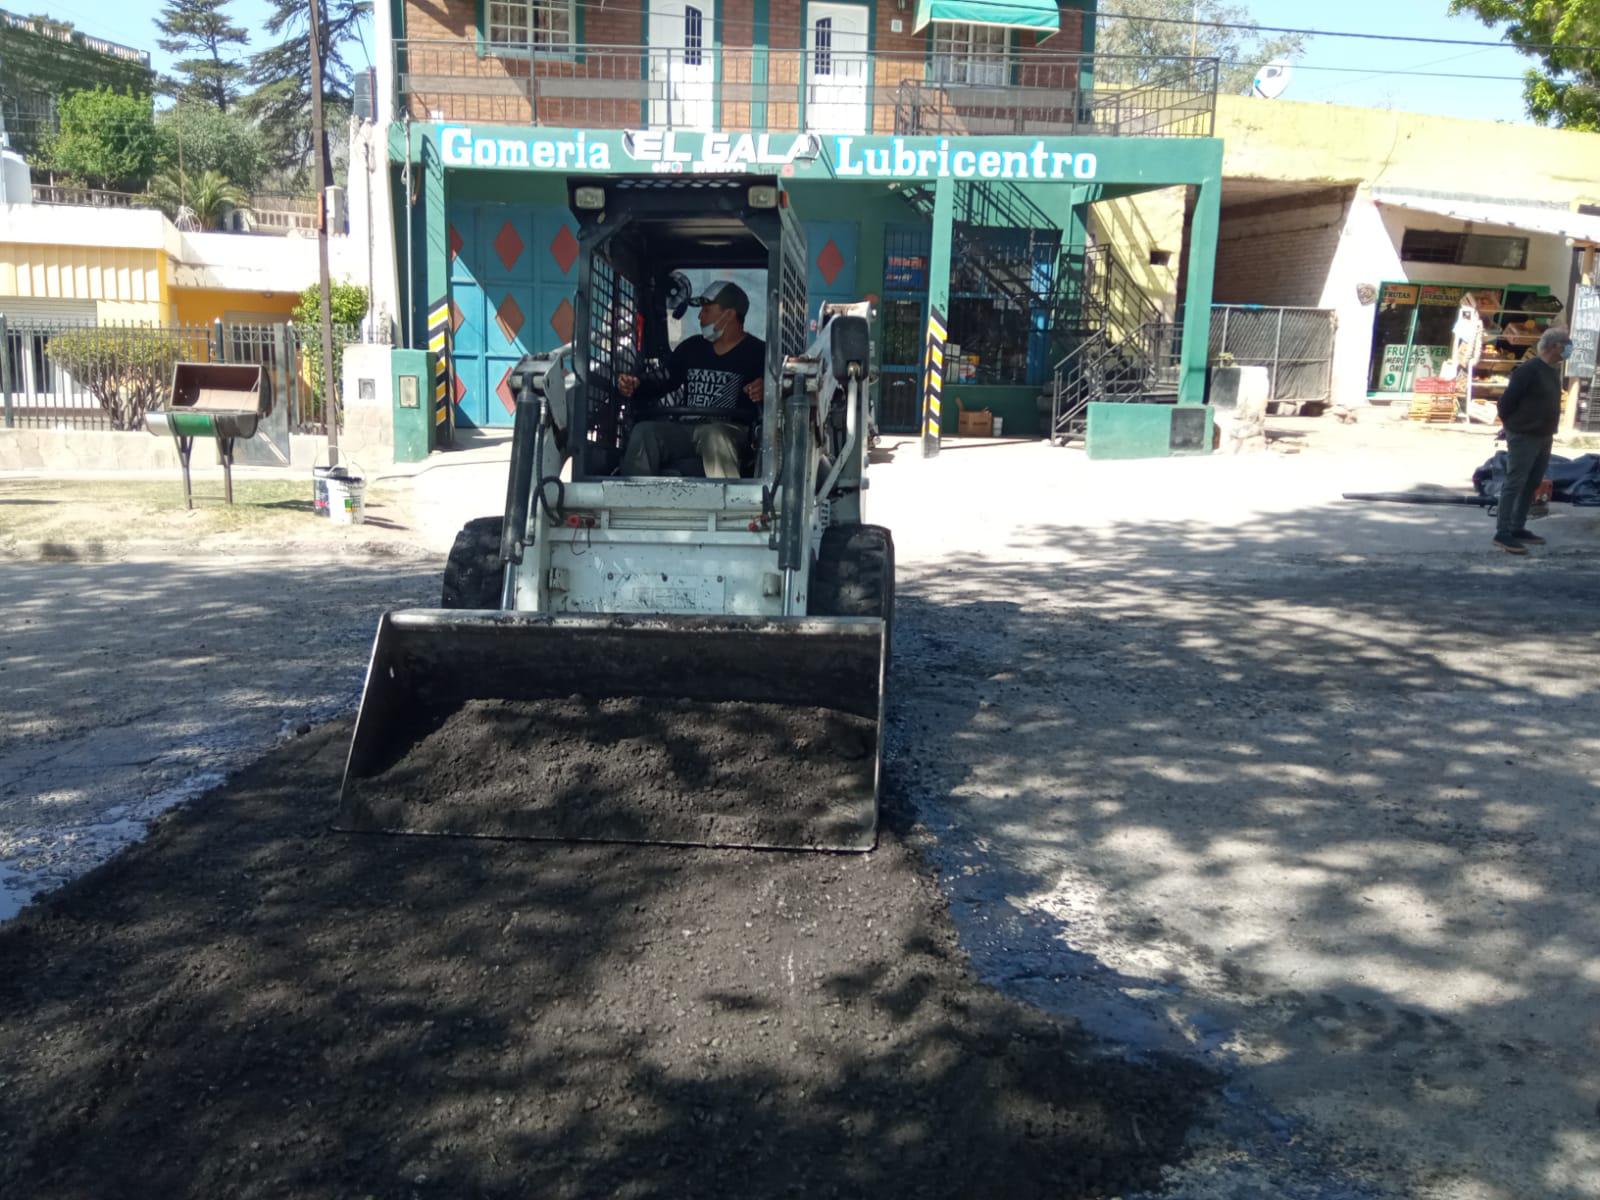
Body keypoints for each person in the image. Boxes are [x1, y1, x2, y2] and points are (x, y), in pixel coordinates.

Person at [617, 281, 765, 478]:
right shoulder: (691, 348)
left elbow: (779, 391)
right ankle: (631, 503)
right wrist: (636, 384)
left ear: (728, 314)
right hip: (686, 430)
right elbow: (664, 380)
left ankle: (729, 506)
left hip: (731, 432)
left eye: (706, 310)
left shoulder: (759, 353)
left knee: (715, 436)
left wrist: (767, 389)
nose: (700, 317)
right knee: (644, 432)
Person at [1492, 326, 1570, 555]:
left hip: (1544, 435)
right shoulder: (1528, 370)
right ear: (1554, 346)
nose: (1568, 349)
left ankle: (1517, 527)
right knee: (1515, 482)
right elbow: (1506, 403)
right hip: (1524, 435)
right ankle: (1502, 531)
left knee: (1532, 481)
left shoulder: (1552, 371)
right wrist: (1513, 427)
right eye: (1565, 344)